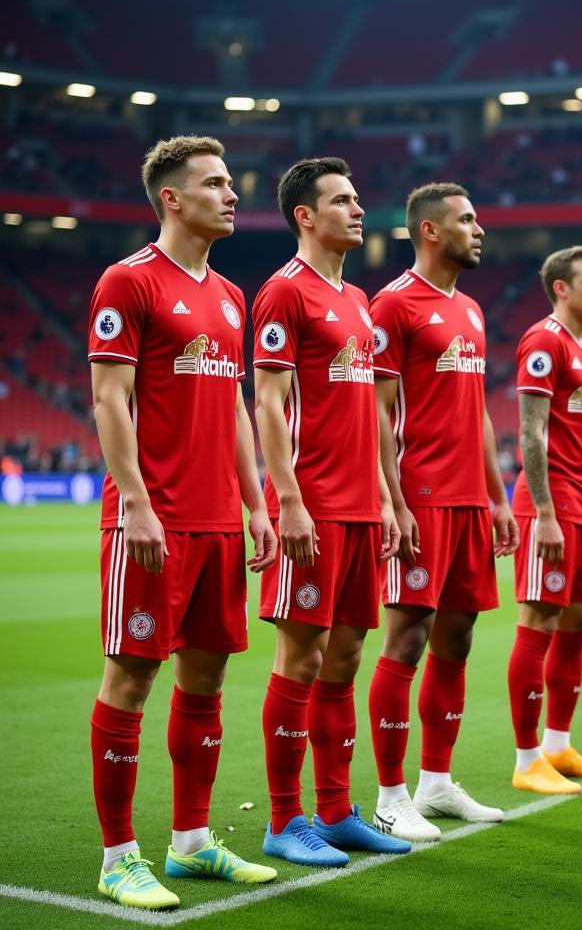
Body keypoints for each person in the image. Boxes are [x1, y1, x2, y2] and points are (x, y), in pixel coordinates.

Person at [87, 135, 277, 910]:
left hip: (217, 522)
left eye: (231, 183)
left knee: (207, 676)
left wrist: (256, 500)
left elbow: (234, 404)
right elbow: (108, 398)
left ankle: (193, 842)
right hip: (152, 519)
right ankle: (117, 857)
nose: (232, 195)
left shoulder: (230, 296)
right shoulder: (127, 281)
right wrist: (134, 501)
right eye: (216, 183)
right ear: (172, 197)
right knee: (132, 676)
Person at [253, 157, 410, 867]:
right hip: (309, 508)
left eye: (358, 197)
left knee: (344, 657)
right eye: (342, 200)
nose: (358, 209)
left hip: (359, 509)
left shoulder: (360, 302)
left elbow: (374, 414)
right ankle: (284, 821)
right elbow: (269, 404)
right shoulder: (284, 294)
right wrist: (286, 500)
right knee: (302, 656)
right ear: (305, 217)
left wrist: (388, 497)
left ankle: (338, 810)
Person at [368, 182, 517, 841]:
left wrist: (497, 493)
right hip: (420, 495)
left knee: (458, 639)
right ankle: (390, 794)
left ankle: (436, 782)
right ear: (430, 231)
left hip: (467, 501)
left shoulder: (474, 311)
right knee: (407, 638)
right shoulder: (394, 304)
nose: (478, 229)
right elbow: (374, 407)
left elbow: (479, 411)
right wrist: (391, 499)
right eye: (466, 219)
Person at [507, 245, 582, 795]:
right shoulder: (544, 341)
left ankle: (559, 744)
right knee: (539, 627)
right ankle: (527, 757)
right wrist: (547, 513)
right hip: (550, 511)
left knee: (577, 625)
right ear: (561, 288)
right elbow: (532, 432)